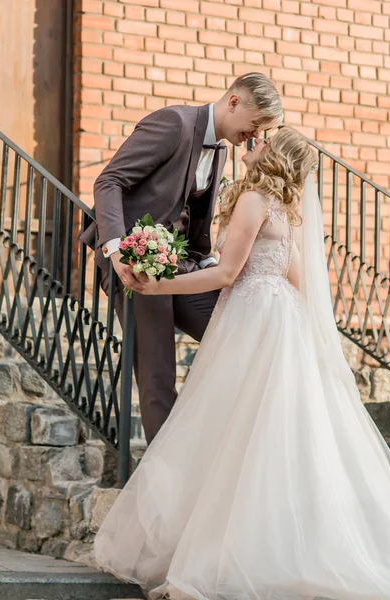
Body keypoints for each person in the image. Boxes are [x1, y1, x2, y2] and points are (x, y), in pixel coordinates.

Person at [95, 128, 390, 600]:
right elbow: (297, 275)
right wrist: (312, 339)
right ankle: (260, 548)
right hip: (280, 320)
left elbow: (228, 274)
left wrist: (157, 286)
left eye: (263, 141)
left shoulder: (254, 199)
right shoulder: (286, 210)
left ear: (272, 156)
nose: (253, 142)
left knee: (236, 435)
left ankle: (221, 560)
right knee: (261, 438)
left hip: (254, 321)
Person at [79, 73, 283, 444]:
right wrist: (115, 249)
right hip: (135, 265)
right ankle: (162, 483)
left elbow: (193, 220)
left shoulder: (219, 151)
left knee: (233, 336)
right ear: (234, 102)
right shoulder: (174, 123)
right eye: (256, 125)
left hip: (182, 267)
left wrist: (208, 264)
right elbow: (109, 182)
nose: (255, 137)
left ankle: (226, 448)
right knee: (157, 373)